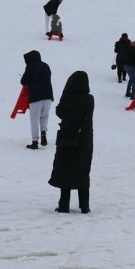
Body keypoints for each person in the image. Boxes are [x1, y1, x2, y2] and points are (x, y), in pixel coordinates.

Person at [49, 71, 93, 214]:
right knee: (82, 171)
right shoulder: (89, 99)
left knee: (65, 171)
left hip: (67, 139)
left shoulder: (67, 97)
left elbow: (60, 112)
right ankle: (84, 206)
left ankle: (64, 205)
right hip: (84, 140)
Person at [20, 50, 54, 149]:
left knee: (34, 119)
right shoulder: (46, 66)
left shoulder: (30, 67)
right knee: (44, 116)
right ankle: (43, 132)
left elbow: (23, 81)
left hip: (36, 97)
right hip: (48, 96)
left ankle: (35, 141)